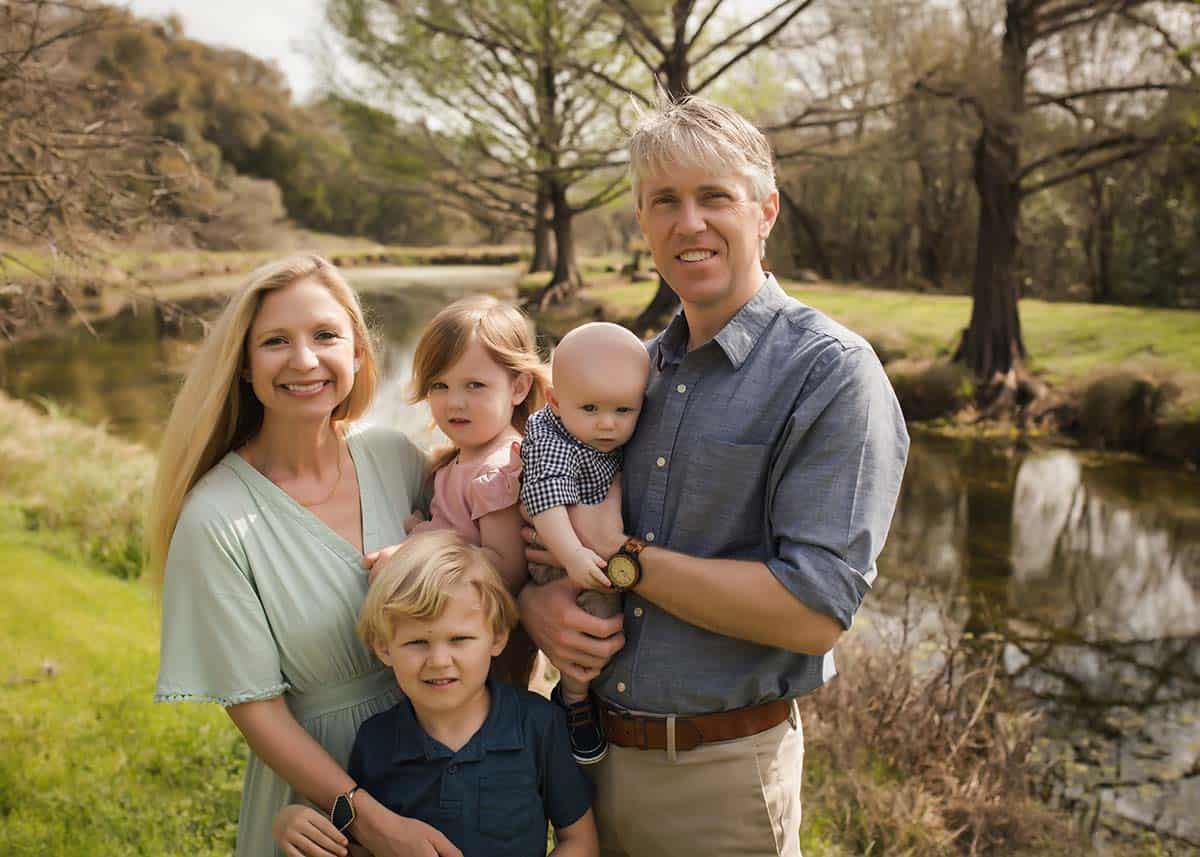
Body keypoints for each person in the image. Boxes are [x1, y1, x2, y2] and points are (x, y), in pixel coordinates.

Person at [518, 97, 910, 857]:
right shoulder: (629, 374)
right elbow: (544, 514)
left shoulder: (830, 373)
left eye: (714, 197)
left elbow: (814, 611)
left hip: (721, 781)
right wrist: (537, 605)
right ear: (643, 223)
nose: (688, 222)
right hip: (586, 769)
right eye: (665, 201)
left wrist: (625, 559)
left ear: (765, 211)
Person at [150, 255, 465, 857]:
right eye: (275, 341)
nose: (304, 360)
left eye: (325, 335)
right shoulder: (215, 518)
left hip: (448, 769)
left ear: (357, 353)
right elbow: (256, 710)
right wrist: (366, 820)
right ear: (242, 365)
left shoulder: (396, 458)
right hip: (319, 807)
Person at [349, 530, 598, 857]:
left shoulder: (538, 724)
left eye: (459, 640)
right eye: (417, 642)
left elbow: (580, 841)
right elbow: (361, 848)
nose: (439, 661)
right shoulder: (374, 741)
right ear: (383, 648)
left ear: (496, 637)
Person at [520, 322, 651, 763]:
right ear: (555, 402)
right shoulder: (551, 437)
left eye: (623, 411)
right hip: (560, 554)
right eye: (591, 408)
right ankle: (574, 699)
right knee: (596, 620)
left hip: (594, 548)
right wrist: (574, 555)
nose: (607, 424)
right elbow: (545, 499)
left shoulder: (598, 430)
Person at [402, 295, 549, 686]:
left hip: (490, 655)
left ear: (518, 387)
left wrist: (418, 553)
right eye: (440, 385)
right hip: (455, 642)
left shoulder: (498, 468)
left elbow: (504, 569)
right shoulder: (459, 460)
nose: (455, 402)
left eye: (475, 385)